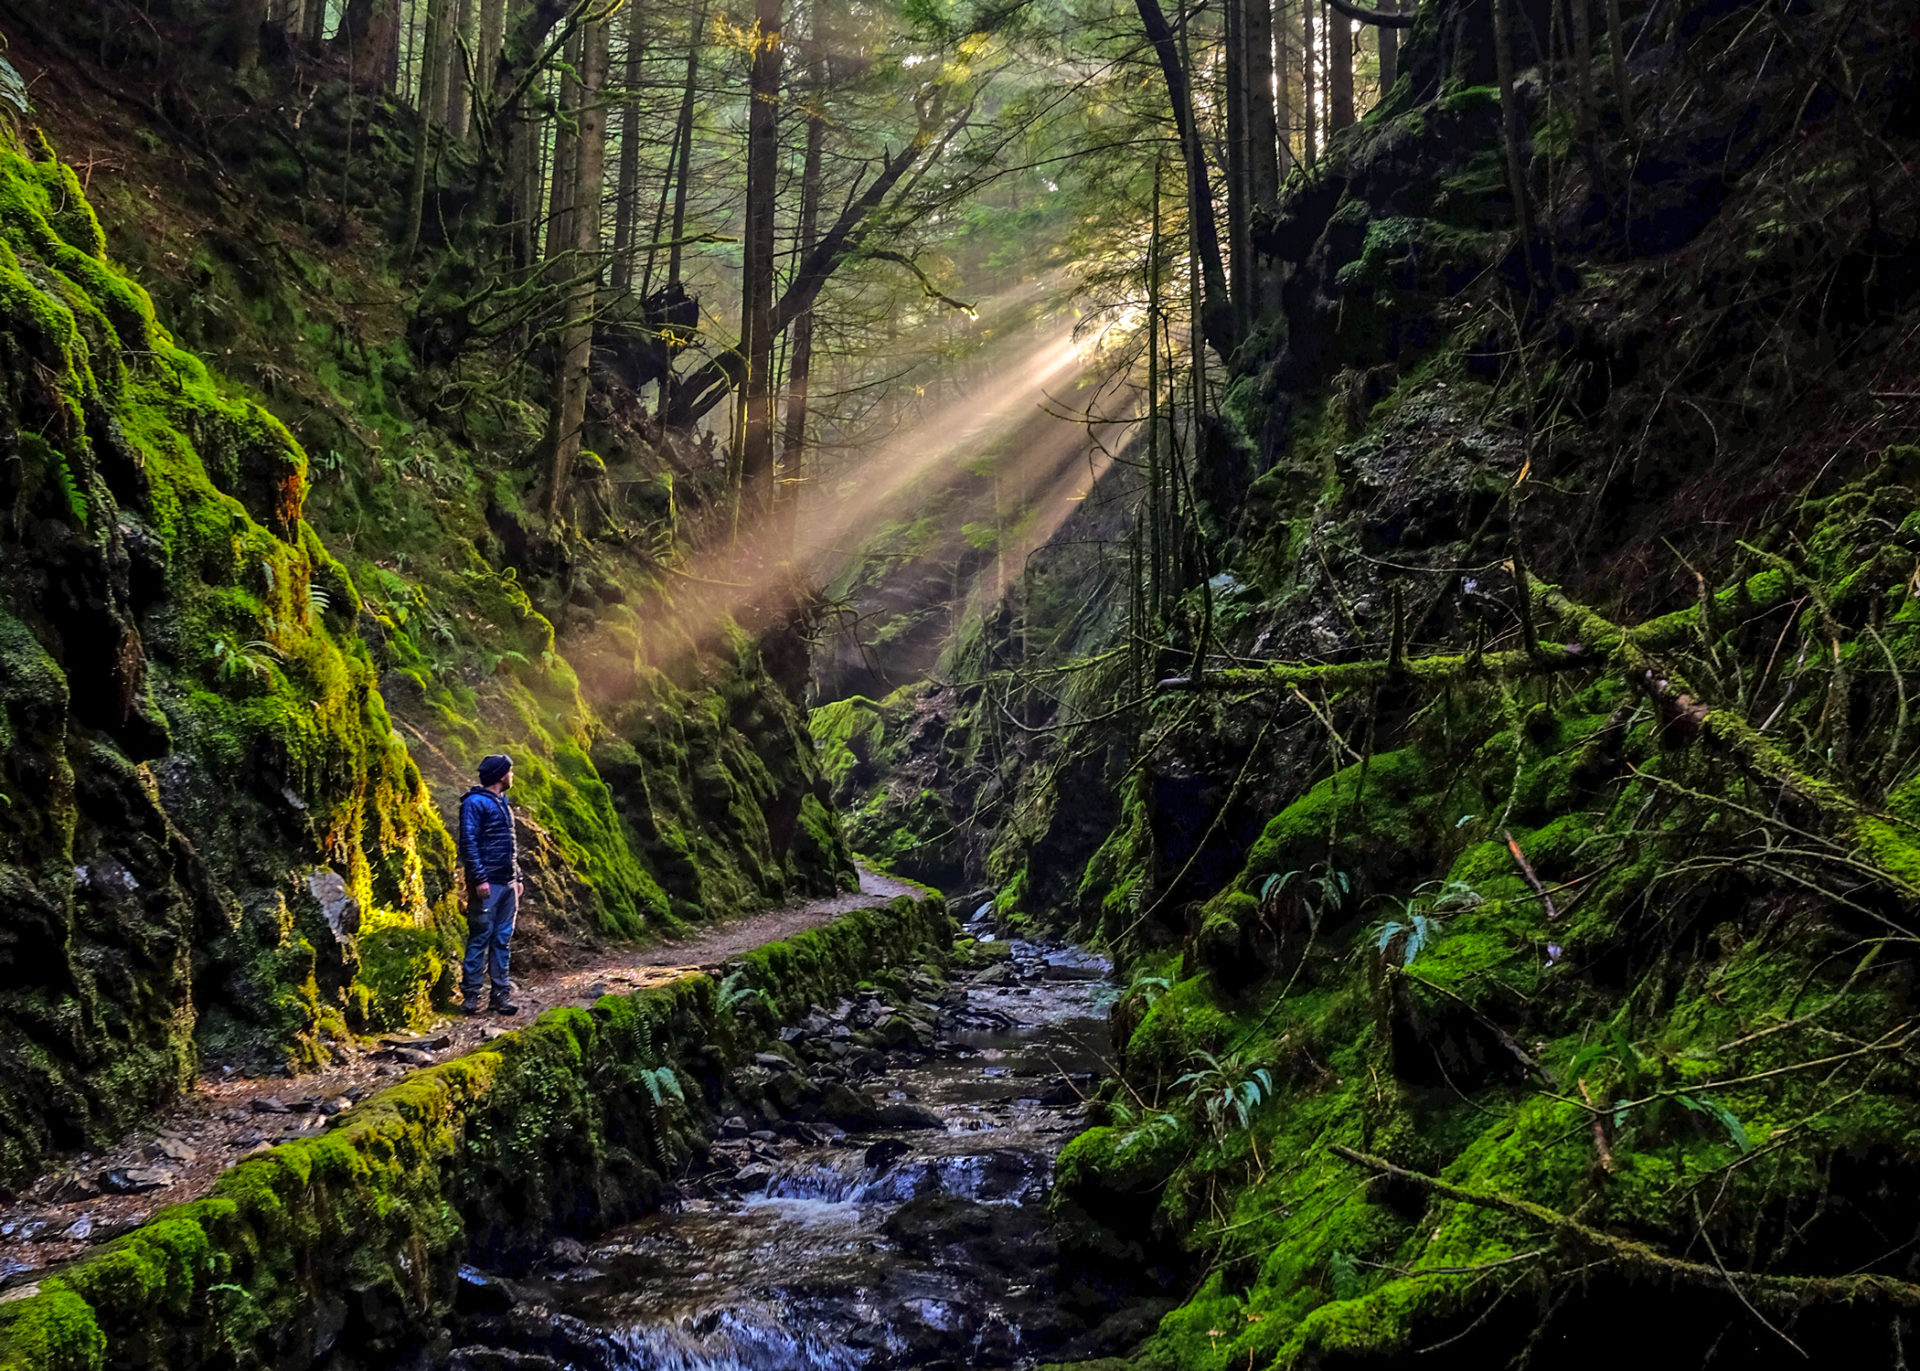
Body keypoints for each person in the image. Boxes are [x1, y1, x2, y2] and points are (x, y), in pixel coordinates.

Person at [457, 753, 522, 1015]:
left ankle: (500, 996)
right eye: (510, 771)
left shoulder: (502, 802)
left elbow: (512, 845)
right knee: (479, 938)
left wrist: (517, 877)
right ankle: (471, 997)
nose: (512, 775)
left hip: (507, 884)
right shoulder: (474, 803)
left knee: (502, 940)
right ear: (500, 775)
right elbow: (468, 843)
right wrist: (479, 878)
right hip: (487, 885)